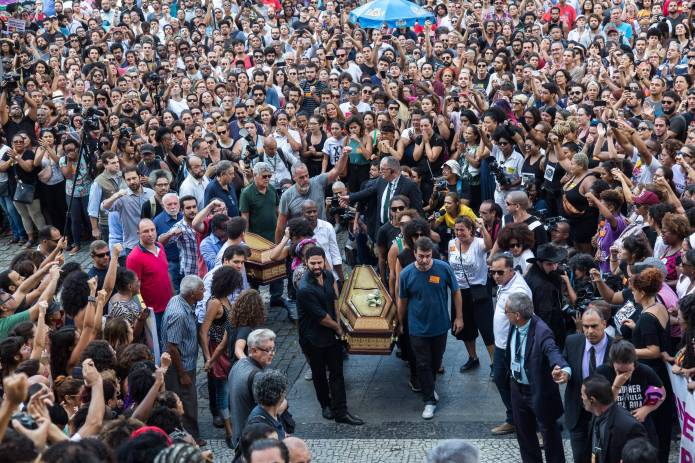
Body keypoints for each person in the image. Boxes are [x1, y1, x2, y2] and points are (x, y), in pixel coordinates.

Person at [296, 246, 363, 425]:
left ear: (324, 261)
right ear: (306, 263)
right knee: (319, 374)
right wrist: (338, 328)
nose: (317, 266)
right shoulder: (305, 289)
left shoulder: (328, 276)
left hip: (330, 334)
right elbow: (322, 317)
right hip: (313, 338)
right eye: (312, 263)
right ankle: (325, 405)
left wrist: (339, 321)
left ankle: (341, 410)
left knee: (336, 372)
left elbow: (334, 299)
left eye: (319, 262)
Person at [398, 237, 463, 419]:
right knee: (423, 363)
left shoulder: (443, 268)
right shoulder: (406, 274)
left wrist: (459, 317)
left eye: (428, 256)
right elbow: (402, 300)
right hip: (417, 327)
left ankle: (429, 386)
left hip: (440, 325)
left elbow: (456, 292)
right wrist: (400, 322)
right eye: (421, 256)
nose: (425, 260)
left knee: (435, 361)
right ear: (414, 254)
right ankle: (429, 400)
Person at [504, 292, 570, 463]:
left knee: (549, 433)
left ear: (517, 315)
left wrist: (563, 368)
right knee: (524, 433)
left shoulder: (542, 331)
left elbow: (552, 350)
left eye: (506, 312)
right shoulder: (515, 324)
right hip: (517, 386)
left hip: (538, 390)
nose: (505, 315)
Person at [563, 308, 614, 463]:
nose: (589, 331)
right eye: (585, 326)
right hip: (578, 411)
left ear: (604, 324)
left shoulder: (616, 346)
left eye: (594, 326)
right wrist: (563, 372)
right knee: (579, 456)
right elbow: (564, 363)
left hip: (605, 412)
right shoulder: (572, 342)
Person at [489, 252, 532, 435]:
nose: (496, 276)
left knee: (516, 383)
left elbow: (524, 320)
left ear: (511, 270)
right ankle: (514, 418)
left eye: (500, 272)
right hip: (502, 344)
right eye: (493, 272)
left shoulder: (518, 290)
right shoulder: (505, 283)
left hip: (512, 346)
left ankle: (526, 422)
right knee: (502, 379)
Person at [160, 274, 204, 444]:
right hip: (181, 366)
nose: (204, 291)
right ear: (192, 294)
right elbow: (172, 347)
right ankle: (190, 438)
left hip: (185, 363)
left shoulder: (179, 300)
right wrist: (183, 374)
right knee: (187, 401)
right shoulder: (179, 314)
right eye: (201, 289)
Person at [447, 216, 494, 373]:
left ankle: (494, 363)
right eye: (456, 230)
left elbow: (489, 245)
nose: (459, 233)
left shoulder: (479, 243)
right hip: (459, 292)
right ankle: (472, 357)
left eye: (462, 230)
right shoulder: (451, 244)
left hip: (478, 289)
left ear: (471, 230)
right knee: (465, 328)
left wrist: (483, 228)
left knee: (486, 328)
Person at [343, 156, 423, 240]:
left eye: (382, 169)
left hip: (399, 230)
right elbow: (368, 192)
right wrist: (349, 197)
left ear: (392, 170)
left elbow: (417, 211)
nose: (380, 171)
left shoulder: (410, 185)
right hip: (381, 228)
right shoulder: (382, 180)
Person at [229, 328, 277, 448]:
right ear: (254, 350)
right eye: (268, 350)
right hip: (254, 440)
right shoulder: (258, 376)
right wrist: (283, 402)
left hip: (239, 435)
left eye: (273, 349)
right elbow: (270, 410)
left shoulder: (238, 364)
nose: (272, 353)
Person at [582, 374, 647, 463]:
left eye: (582, 395)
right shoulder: (596, 414)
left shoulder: (629, 426)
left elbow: (640, 459)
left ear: (592, 400)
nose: (581, 398)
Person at [125, 219, 173, 334]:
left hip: (168, 306)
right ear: (138, 233)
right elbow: (133, 288)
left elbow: (166, 273)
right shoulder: (134, 257)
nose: (150, 234)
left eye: (152, 230)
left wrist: (173, 295)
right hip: (152, 312)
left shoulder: (160, 247)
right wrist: (142, 310)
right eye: (146, 231)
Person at [524, 243, 569, 349]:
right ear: (539, 263)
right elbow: (545, 316)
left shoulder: (535, 272)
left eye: (555, 263)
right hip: (548, 335)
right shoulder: (543, 286)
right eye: (549, 264)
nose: (554, 267)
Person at [102, 166, 155, 254]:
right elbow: (105, 206)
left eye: (134, 178)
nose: (132, 182)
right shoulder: (122, 197)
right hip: (132, 245)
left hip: (151, 242)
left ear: (139, 177)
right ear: (125, 180)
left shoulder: (151, 193)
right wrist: (116, 195)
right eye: (128, 179)